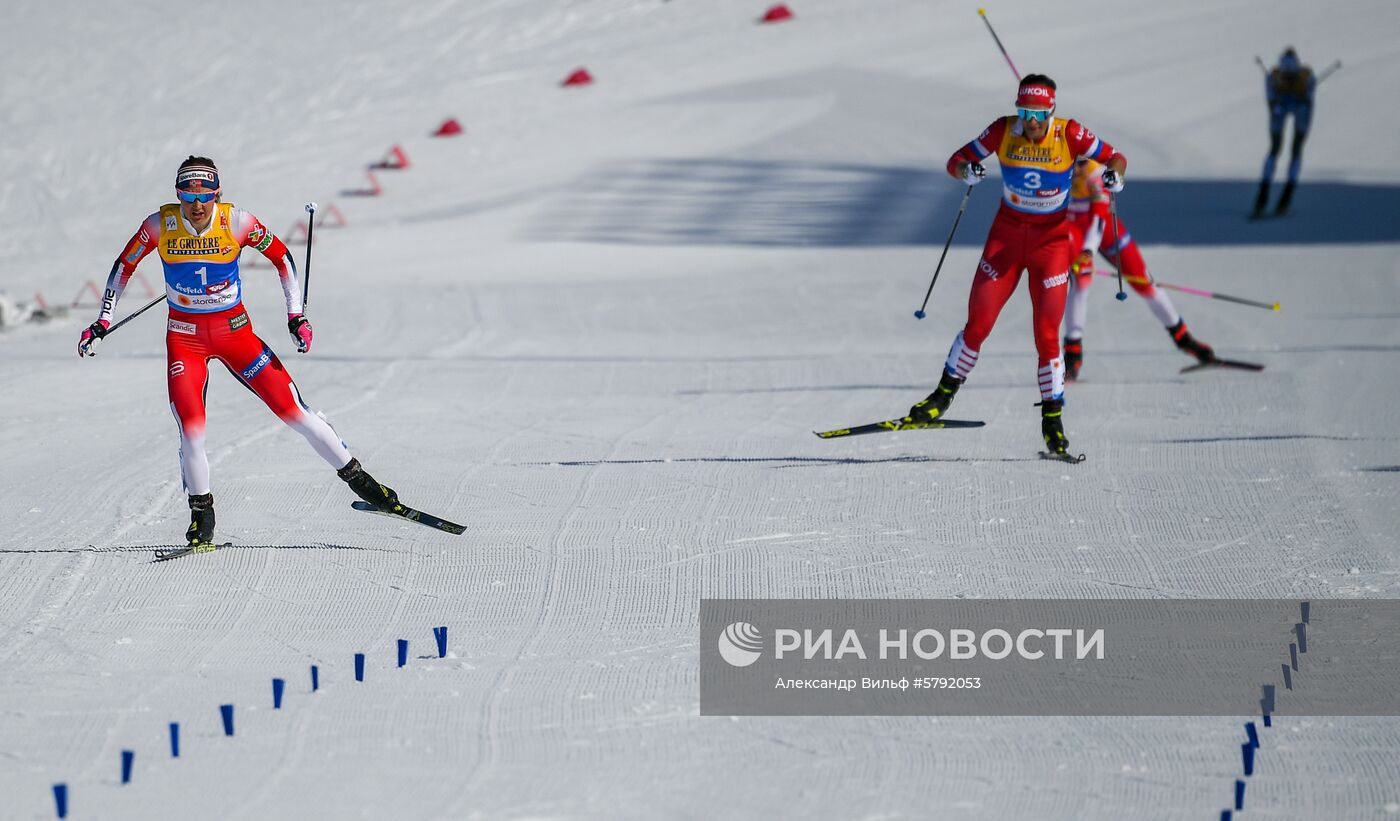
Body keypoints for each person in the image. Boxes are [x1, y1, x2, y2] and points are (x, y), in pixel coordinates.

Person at [78, 156, 401, 549]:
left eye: (205, 195)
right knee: (192, 429)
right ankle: (202, 516)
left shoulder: (237, 221)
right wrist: (103, 320)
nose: (197, 205)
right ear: (177, 194)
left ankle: (365, 484)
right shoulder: (159, 225)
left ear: (217, 194)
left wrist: (296, 316)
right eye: (187, 195)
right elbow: (123, 266)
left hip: (235, 333)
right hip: (185, 338)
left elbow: (282, 257)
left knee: (294, 413)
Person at [906, 75, 1126, 456]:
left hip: (1052, 243)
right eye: (1025, 112)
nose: (1031, 123)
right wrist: (966, 172)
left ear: (1051, 111)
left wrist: (1115, 175)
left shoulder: (1069, 134)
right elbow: (956, 160)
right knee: (978, 324)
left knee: (1045, 334)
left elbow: (1115, 157)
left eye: (1038, 114)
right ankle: (941, 397)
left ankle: (1052, 421)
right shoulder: (1004, 130)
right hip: (1006, 238)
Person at [1062, 158, 1215, 379]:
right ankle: (1072, 355)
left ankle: (1183, 339)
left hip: (1102, 229)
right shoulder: (1056, 166)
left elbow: (1098, 220)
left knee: (1144, 282)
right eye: (1072, 162)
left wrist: (1088, 249)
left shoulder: (1096, 175)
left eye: (1081, 163)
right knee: (1081, 282)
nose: (1076, 169)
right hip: (1072, 227)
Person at [1252, 47, 1315, 218]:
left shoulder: (1306, 77)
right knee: (1275, 148)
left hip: (1300, 109)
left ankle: (1286, 195)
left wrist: (1300, 102)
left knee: (1296, 148)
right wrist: (1277, 105)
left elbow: (1308, 100)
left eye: (1291, 76)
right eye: (1286, 76)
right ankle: (1263, 195)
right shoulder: (1272, 77)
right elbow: (1271, 102)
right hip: (1281, 108)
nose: (1288, 79)